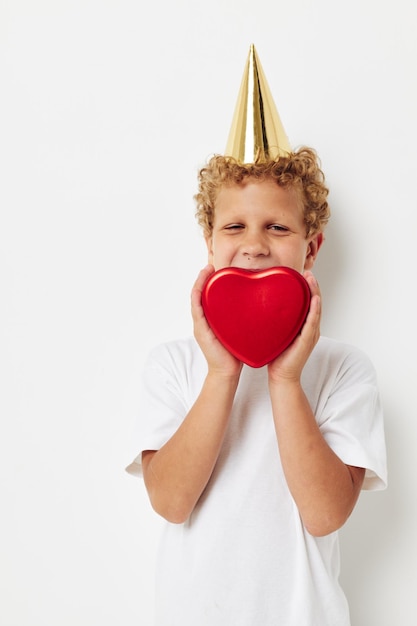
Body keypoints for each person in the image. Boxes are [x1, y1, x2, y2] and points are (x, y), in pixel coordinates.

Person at [126, 46, 387, 626]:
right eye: (235, 226)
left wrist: (286, 377)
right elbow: (170, 502)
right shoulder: (173, 365)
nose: (254, 244)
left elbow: (324, 514)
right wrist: (222, 371)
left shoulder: (344, 370)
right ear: (210, 244)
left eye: (278, 227)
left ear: (311, 247)